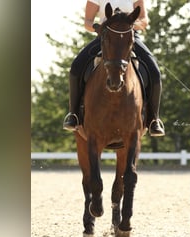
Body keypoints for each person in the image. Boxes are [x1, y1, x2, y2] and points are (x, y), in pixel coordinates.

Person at [63, 0, 165, 136]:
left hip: (129, 37)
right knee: (76, 67)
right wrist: (97, 27)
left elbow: (144, 20)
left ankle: (153, 119)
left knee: (155, 72)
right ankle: (73, 114)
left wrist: (128, 25)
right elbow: (87, 22)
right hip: (106, 37)